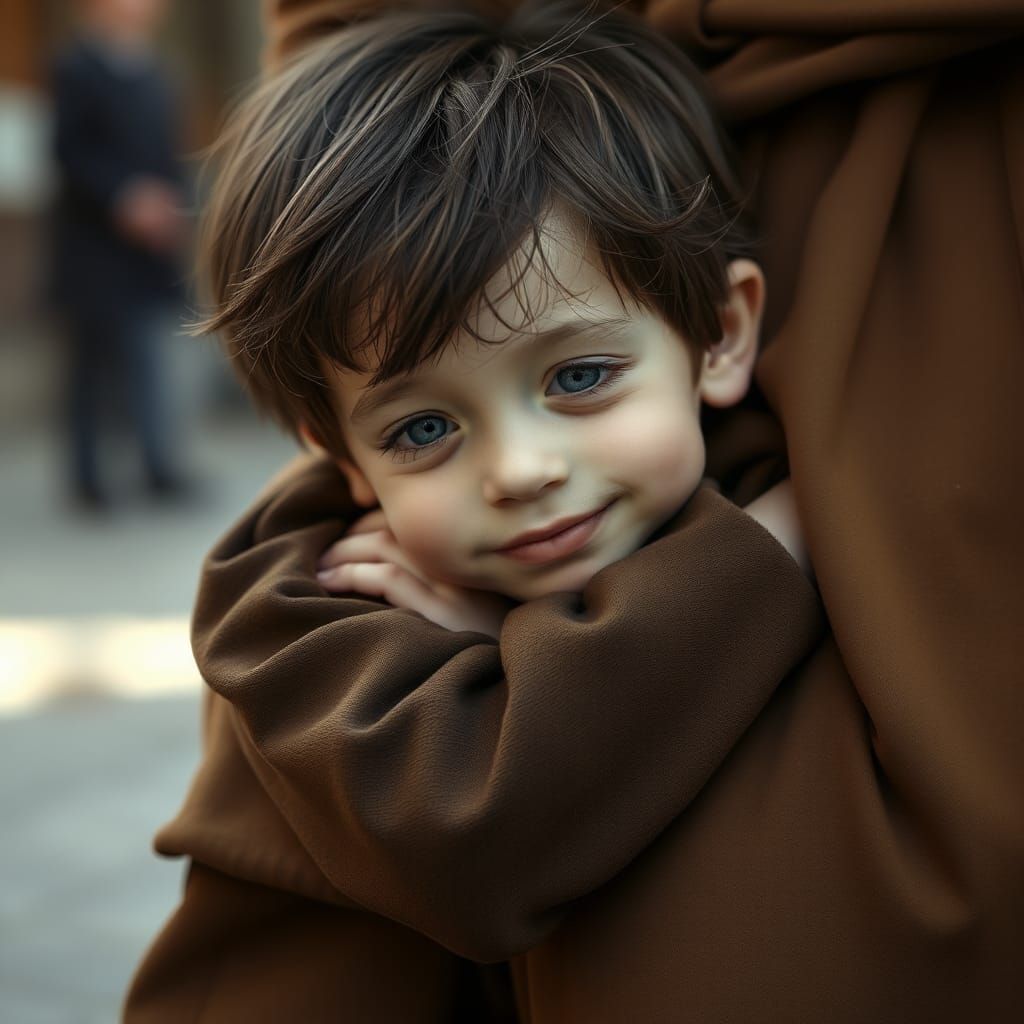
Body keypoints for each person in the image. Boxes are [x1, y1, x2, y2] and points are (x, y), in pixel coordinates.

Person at [124, 4, 824, 1021]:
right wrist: (777, 546)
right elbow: (474, 833)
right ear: (342, 459)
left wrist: (515, 638)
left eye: (578, 377)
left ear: (719, 335)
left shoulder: (754, 458)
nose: (520, 471)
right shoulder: (309, 602)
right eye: (423, 430)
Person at [50, 0, 191, 509]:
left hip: (148, 246)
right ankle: (87, 477)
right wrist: (123, 197)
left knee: (149, 354)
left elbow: (168, 151)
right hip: (96, 246)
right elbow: (68, 151)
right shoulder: (76, 66)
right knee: (91, 363)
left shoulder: (156, 69)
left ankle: (157, 465)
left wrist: (173, 204)